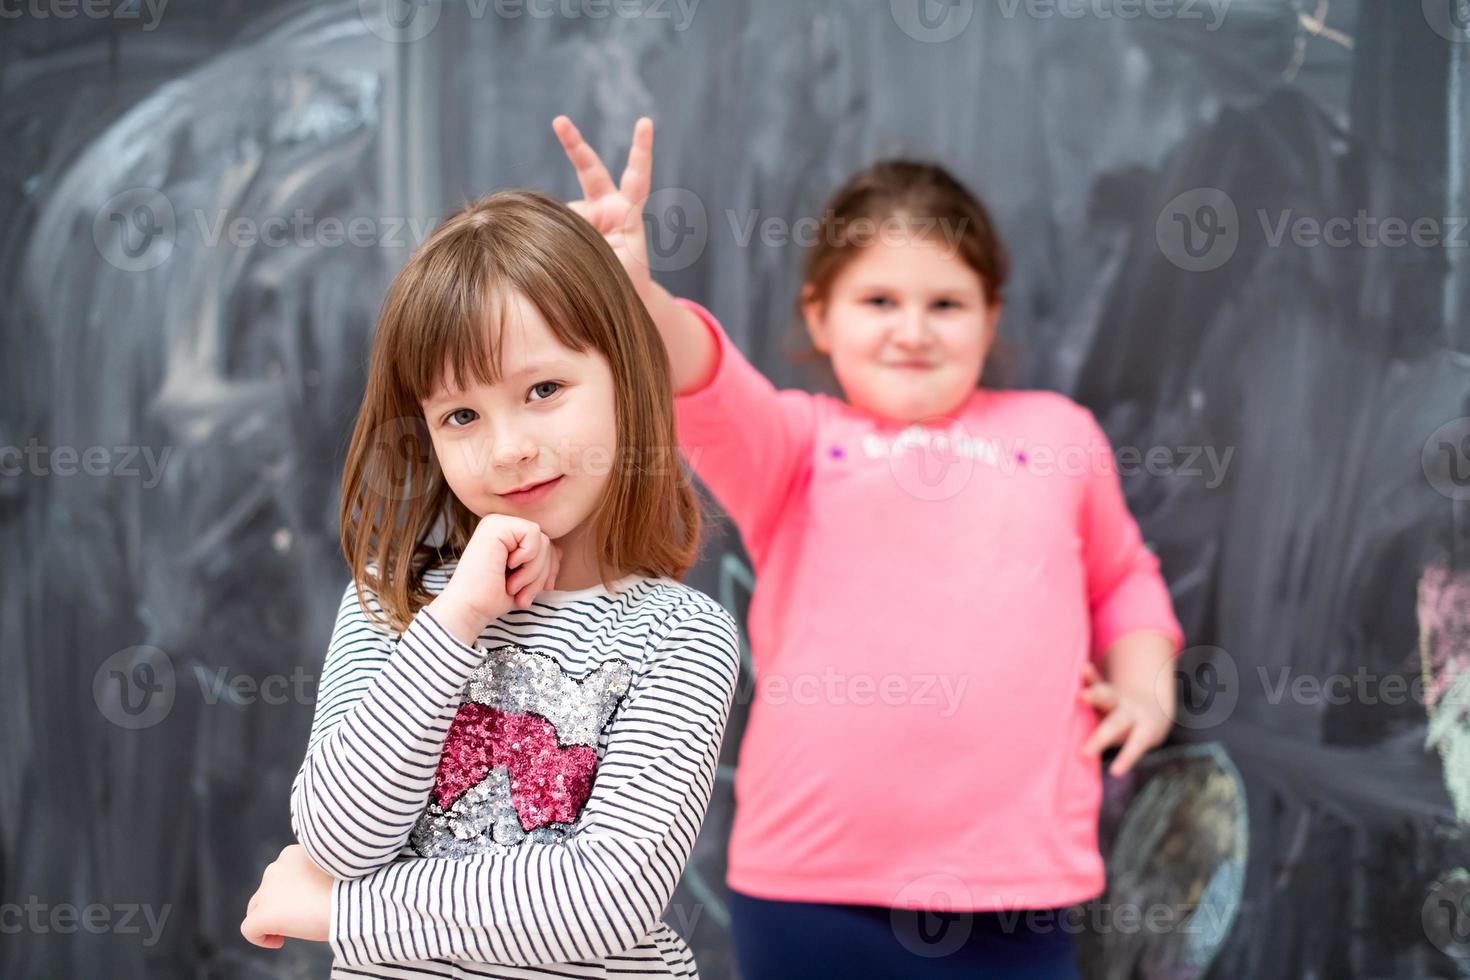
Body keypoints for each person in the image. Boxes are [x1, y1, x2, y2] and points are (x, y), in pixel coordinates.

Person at [553, 115, 1185, 978]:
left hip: (1017, 887)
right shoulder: (797, 446)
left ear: (991, 313)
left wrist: (1146, 683)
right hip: (811, 886)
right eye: (879, 300)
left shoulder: (1057, 433)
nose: (912, 330)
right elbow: (704, 377)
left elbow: (1124, 578)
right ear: (819, 315)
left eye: (946, 304)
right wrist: (639, 297)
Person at [239, 189, 742, 979]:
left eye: (543, 391)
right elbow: (337, 837)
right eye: (461, 417)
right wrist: (459, 616)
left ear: (626, 379)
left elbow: (602, 901)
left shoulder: (681, 637)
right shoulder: (393, 600)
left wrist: (340, 911)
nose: (507, 448)